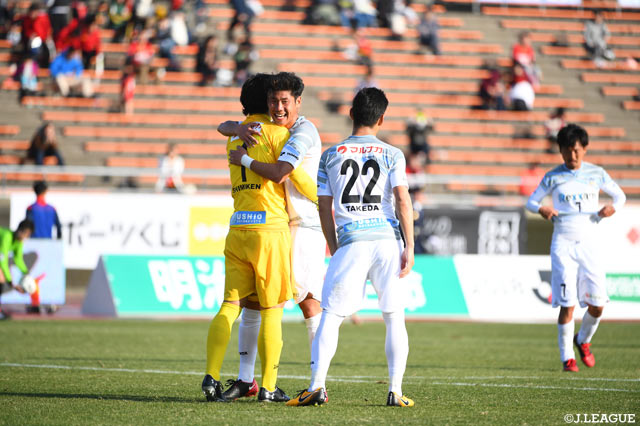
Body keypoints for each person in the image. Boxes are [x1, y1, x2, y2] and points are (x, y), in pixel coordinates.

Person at [287, 87, 415, 407]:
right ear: (381, 119)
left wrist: (334, 245)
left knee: (331, 316)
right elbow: (402, 200)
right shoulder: (393, 154)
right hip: (387, 241)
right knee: (394, 316)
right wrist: (409, 246)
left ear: (351, 114)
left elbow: (323, 205)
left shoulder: (331, 155)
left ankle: (317, 386)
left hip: (351, 241)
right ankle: (395, 391)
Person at [201, 73, 317, 403]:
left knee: (230, 306)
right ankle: (268, 386)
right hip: (270, 230)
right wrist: (322, 197)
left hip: (238, 228)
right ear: (266, 102)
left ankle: (211, 375)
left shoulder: (234, 137)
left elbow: (224, 126)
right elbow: (295, 177)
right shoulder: (279, 134)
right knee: (272, 310)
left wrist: (235, 127)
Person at [525, 124, 626, 372]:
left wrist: (613, 208)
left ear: (585, 149)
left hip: (590, 244)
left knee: (598, 304)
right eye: (568, 150)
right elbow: (531, 201)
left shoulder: (596, 173)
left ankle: (583, 340)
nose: (573, 155)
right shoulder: (553, 176)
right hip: (563, 244)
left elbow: (620, 197)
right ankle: (567, 358)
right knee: (567, 303)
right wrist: (542, 208)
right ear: (560, 150)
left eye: (577, 150)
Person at [25, 180, 61, 314]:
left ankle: (35, 303)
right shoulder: (51, 209)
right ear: (46, 191)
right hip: (49, 245)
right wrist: (58, 242)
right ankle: (50, 303)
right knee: (48, 274)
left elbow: (27, 225)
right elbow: (59, 227)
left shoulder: (31, 209)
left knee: (34, 275)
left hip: (34, 245)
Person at [0, 219, 35, 320]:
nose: (26, 237)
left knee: (1, 280)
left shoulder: (18, 242)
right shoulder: (7, 236)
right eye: (26, 234)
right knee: (1, 279)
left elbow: (18, 259)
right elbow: (3, 260)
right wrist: (10, 281)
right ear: (20, 230)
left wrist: (26, 272)